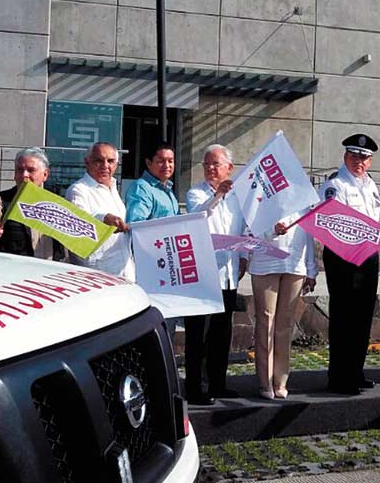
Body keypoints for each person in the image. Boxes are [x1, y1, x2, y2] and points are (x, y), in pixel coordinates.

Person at [319, 134, 380, 395]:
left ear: (370, 161)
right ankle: (339, 377)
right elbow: (332, 220)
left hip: (368, 256)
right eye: (355, 156)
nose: (359, 161)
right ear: (346, 156)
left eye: (364, 158)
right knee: (343, 317)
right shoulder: (335, 185)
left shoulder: (371, 185)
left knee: (363, 316)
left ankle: (356, 371)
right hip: (343, 257)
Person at [184, 144, 247, 404]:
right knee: (198, 334)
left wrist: (244, 257)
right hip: (202, 274)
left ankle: (218, 383)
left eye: (216, 164)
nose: (211, 168)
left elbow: (242, 230)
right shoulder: (195, 193)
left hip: (228, 273)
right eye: (207, 164)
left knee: (222, 333)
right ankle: (195, 388)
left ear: (229, 168)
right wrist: (217, 195)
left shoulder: (237, 197)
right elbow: (197, 216)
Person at [248, 212, 318, 400]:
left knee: (285, 323)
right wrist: (272, 231)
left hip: (294, 265)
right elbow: (248, 232)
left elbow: (308, 234)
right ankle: (266, 381)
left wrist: (311, 270)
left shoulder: (303, 200)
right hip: (265, 264)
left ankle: (281, 380)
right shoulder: (259, 198)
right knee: (266, 320)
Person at [0, 147, 63, 259]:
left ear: (45, 174)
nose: (24, 175)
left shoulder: (57, 206)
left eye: (31, 170)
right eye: (19, 170)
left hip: (47, 268)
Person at [64, 142, 133, 279]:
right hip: (96, 275)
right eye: (99, 161)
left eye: (110, 161)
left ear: (116, 164)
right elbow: (78, 224)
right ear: (87, 162)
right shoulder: (78, 190)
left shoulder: (113, 188)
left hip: (124, 271)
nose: (105, 166)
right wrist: (104, 218)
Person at [125, 143, 178, 223]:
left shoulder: (167, 188)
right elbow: (137, 224)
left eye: (170, 161)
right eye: (161, 161)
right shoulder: (141, 188)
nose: (167, 166)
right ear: (148, 163)